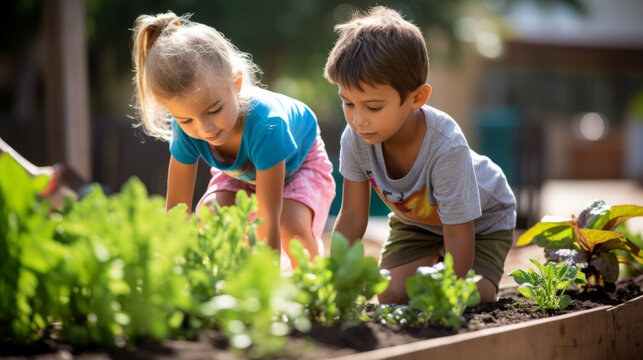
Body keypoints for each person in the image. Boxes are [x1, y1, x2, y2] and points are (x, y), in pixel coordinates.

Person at [324, 7, 516, 303]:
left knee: (469, 297)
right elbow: (350, 217)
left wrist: (449, 292)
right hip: (418, 223)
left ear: (417, 98)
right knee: (390, 295)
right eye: (348, 103)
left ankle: (451, 275)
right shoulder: (356, 139)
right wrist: (333, 277)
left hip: (480, 224)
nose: (358, 119)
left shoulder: (445, 146)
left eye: (373, 107)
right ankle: (430, 265)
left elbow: (459, 234)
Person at [131, 12, 335, 269]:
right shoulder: (187, 128)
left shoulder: (267, 124)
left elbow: (268, 218)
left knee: (290, 228)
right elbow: (176, 211)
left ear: (236, 84)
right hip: (243, 174)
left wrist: (265, 294)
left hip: (297, 166)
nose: (204, 128)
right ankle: (230, 279)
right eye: (185, 120)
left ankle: (316, 285)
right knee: (211, 217)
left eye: (214, 110)